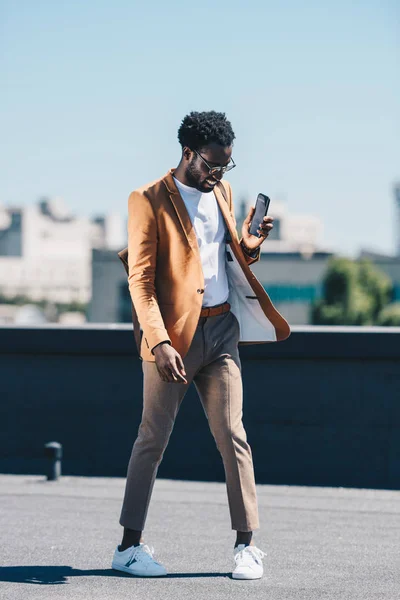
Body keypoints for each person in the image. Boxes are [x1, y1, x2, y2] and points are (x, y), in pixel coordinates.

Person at [112, 111, 290, 580]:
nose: (219, 175)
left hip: (222, 330)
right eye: (212, 165)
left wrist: (251, 244)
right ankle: (128, 547)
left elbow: (223, 253)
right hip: (172, 337)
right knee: (152, 439)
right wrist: (160, 342)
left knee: (234, 437)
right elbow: (141, 282)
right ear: (188, 154)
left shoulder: (223, 191)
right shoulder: (147, 199)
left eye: (226, 167)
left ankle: (246, 545)